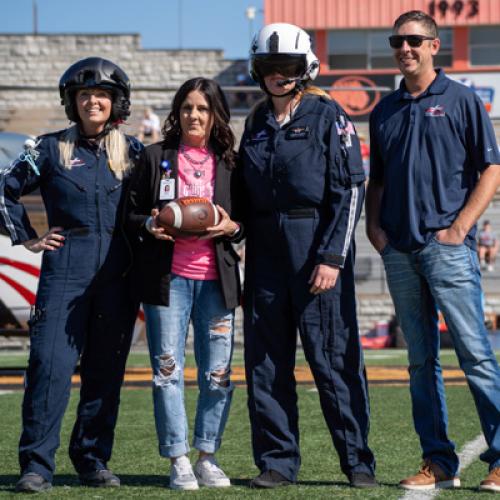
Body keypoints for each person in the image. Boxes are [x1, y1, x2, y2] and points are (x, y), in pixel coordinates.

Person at [237, 23, 376, 489]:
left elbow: (350, 189)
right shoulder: (254, 122)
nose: (278, 75)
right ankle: (277, 461)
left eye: (288, 67)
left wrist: (332, 257)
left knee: (333, 360)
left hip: (315, 248)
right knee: (266, 361)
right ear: (258, 70)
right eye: (270, 67)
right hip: (264, 256)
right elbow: (240, 192)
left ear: (306, 68)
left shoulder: (328, 115)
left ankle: (357, 462)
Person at [366, 10, 500, 493]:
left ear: (434, 45)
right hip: (398, 251)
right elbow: (376, 180)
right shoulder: (383, 111)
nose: (405, 48)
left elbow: (492, 169)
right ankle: (439, 461)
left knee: (476, 356)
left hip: (447, 247)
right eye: (397, 40)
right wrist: (374, 231)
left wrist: (460, 227)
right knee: (421, 362)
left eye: (415, 40)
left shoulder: (463, 101)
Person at [0, 57, 143, 493]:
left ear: (116, 101)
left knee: (105, 371)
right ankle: (37, 466)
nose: (92, 101)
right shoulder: (47, 149)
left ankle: (92, 459)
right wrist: (27, 237)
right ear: (72, 102)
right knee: (49, 367)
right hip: (65, 272)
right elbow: (3, 187)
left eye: (101, 94)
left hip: (118, 276)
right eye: (84, 95)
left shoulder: (134, 152)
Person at [126, 77, 241, 491]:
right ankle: (178, 458)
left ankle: (207, 455)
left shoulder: (229, 161)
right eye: (188, 107)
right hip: (167, 281)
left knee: (217, 373)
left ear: (215, 115)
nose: (195, 115)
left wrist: (232, 225)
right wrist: (149, 224)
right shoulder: (156, 156)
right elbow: (131, 213)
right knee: (167, 371)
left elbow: (242, 220)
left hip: (216, 282)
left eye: (203, 109)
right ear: (177, 112)